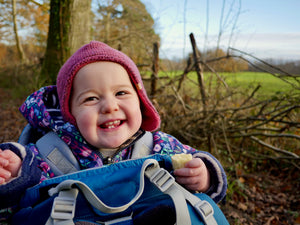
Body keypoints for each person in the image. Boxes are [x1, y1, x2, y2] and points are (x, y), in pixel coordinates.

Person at [0, 41, 227, 221]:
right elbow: (13, 208)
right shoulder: (48, 155)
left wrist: (204, 175)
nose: (110, 106)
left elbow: (196, 165)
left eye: (121, 93)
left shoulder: (161, 146)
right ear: (70, 113)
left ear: (140, 102)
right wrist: (12, 176)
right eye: (91, 98)